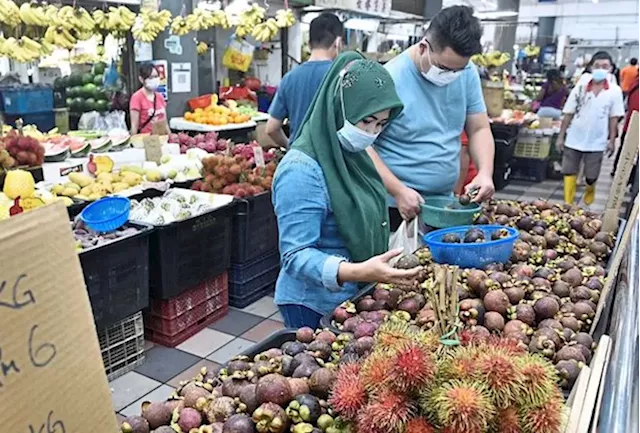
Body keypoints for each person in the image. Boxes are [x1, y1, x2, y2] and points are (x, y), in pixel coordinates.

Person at [272, 52, 421, 328]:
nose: (371, 132)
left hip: (352, 294)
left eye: (380, 124)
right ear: (338, 108)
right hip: (312, 303)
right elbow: (295, 255)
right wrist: (358, 271)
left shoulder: (355, 155)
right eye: (365, 121)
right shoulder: (301, 170)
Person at [368, 6, 495, 229]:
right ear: (424, 47)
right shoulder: (389, 79)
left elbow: (479, 129)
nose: (452, 76)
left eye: (459, 69)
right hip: (392, 205)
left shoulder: (467, 73)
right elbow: (363, 146)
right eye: (445, 68)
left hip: (443, 203)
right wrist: (398, 190)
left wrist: (485, 172)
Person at [557, 51, 625, 205]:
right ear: (591, 67)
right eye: (597, 66)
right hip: (575, 135)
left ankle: (590, 188)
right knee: (569, 170)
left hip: (597, 139)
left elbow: (614, 118)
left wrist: (612, 140)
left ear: (611, 68)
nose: (601, 69)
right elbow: (568, 112)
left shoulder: (614, 91)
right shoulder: (580, 88)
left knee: (591, 174)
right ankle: (568, 202)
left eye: (605, 66)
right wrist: (561, 136)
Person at [266, 13, 343, 148]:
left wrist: (291, 147)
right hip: (332, 160)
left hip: (299, 158)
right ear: (337, 42)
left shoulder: (289, 78)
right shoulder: (342, 76)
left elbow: (271, 128)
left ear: (309, 43)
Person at [612, 74, 640, 179]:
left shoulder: (635, 84)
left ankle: (624, 175)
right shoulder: (636, 86)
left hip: (630, 125)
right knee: (626, 153)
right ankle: (623, 175)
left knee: (625, 151)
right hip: (632, 126)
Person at [129, 64, 169, 135]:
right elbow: (134, 126)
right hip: (146, 141)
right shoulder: (137, 97)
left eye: (156, 76)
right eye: (150, 77)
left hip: (161, 138)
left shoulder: (160, 97)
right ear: (141, 79)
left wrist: (171, 137)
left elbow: (165, 123)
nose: (154, 79)